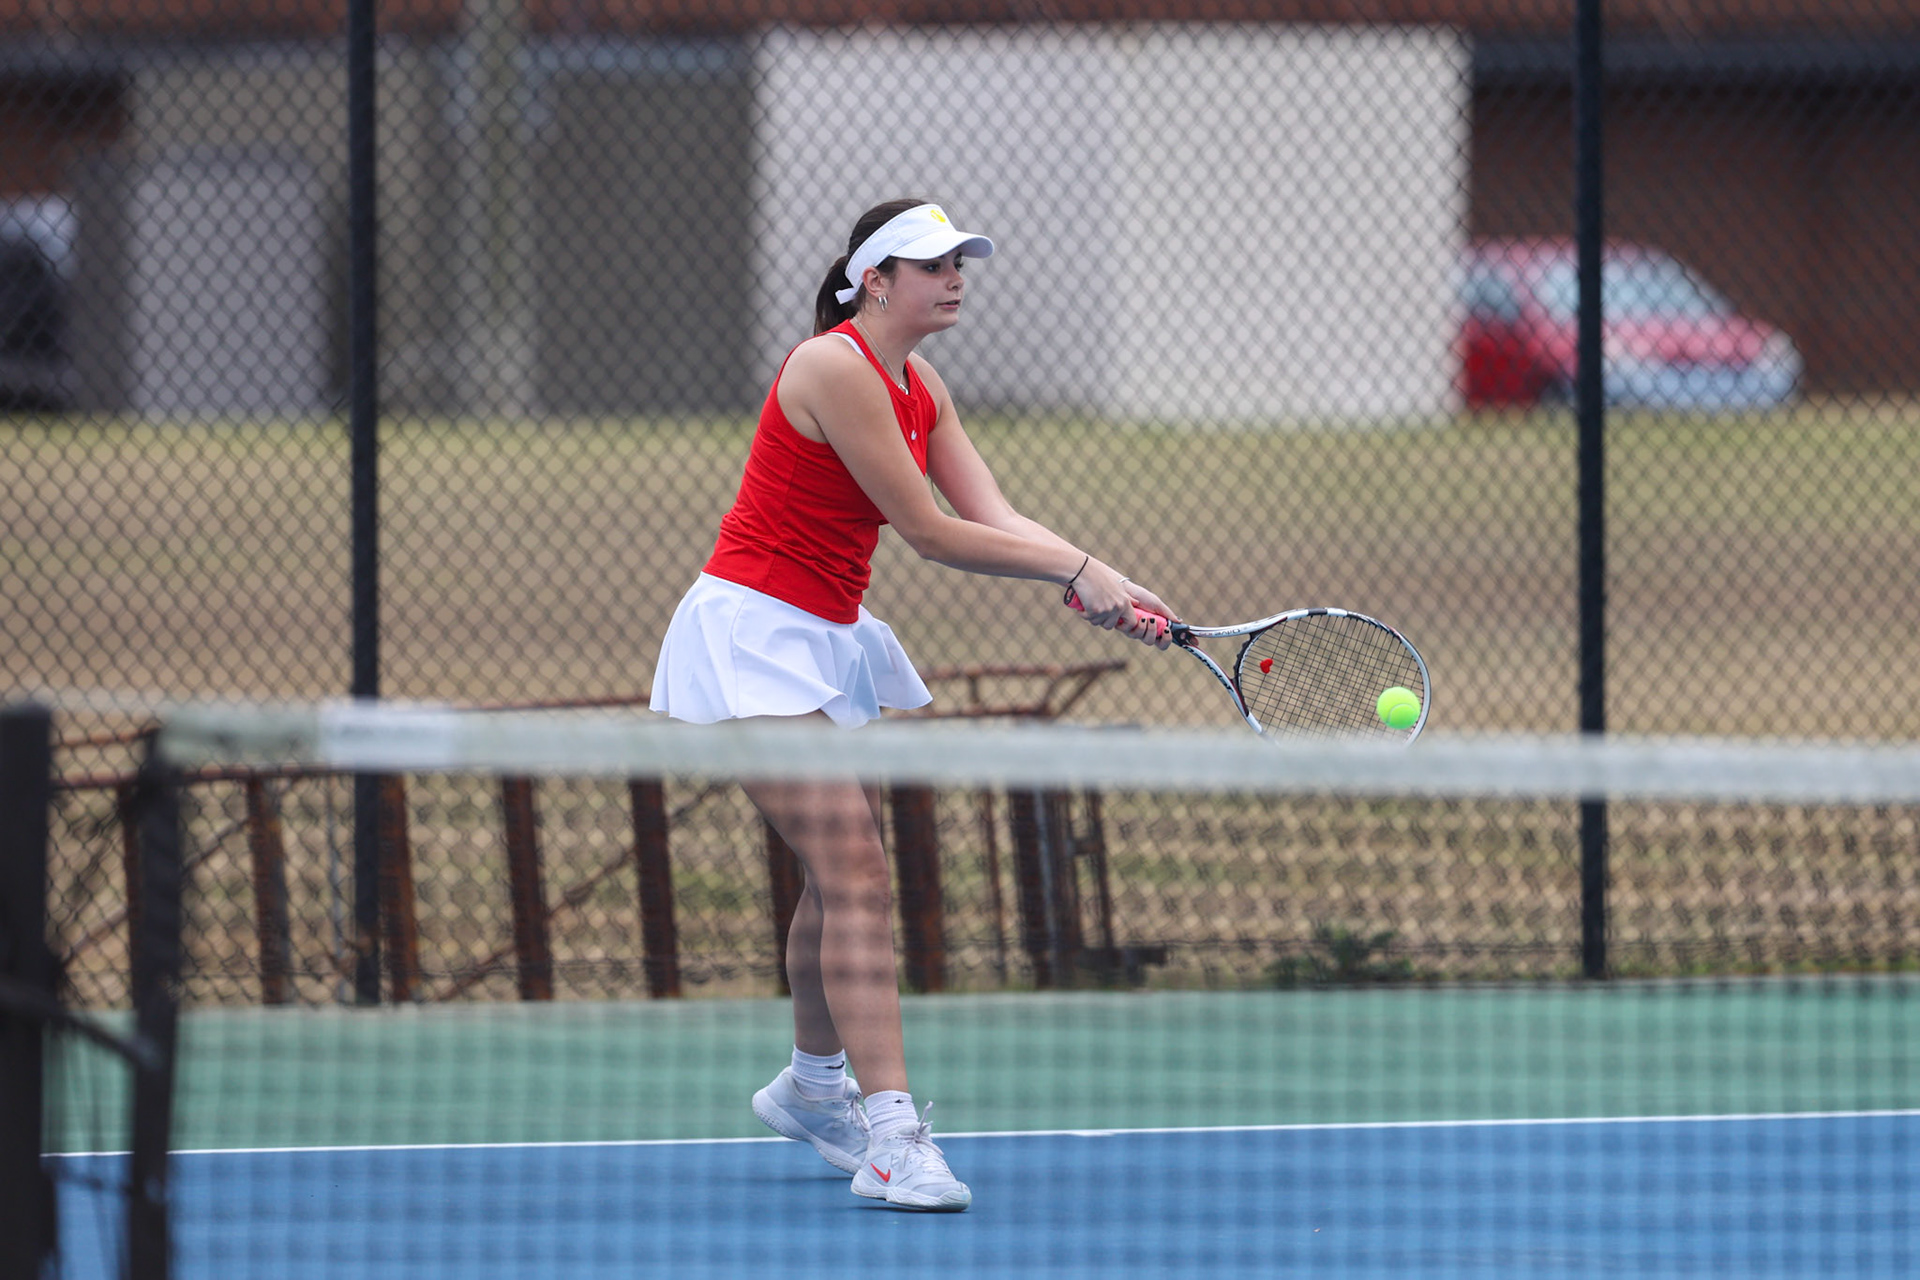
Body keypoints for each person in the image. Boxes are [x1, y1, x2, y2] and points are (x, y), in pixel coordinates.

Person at [650, 198, 1176, 1211]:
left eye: (960, 260)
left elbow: (996, 514)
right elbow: (931, 531)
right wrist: (1073, 569)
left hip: (822, 633)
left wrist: (1105, 577)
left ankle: (811, 1085)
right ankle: (889, 1134)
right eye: (931, 262)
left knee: (833, 868)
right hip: (750, 634)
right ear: (875, 280)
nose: (955, 275)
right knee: (853, 864)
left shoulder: (919, 382)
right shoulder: (832, 366)